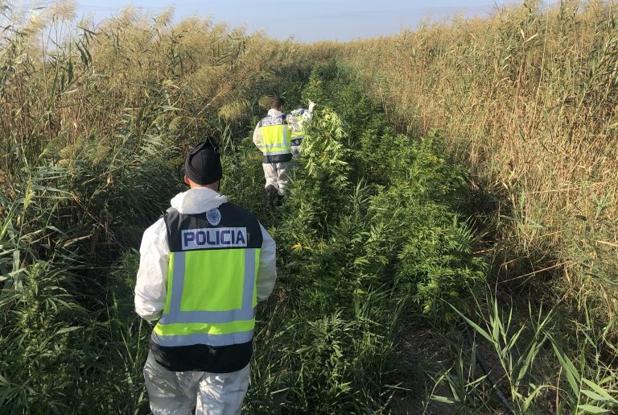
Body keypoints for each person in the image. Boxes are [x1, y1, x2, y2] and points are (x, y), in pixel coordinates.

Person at [134, 142, 277, 415]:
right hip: (230, 353)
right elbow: (263, 288)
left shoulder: (163, 230)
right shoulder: (251, 227)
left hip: (173, 354)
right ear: (219, 180)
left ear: (186, 179)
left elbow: (147, 306)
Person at [252, 96, 292, 206]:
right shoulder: (287, 119)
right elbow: (298, 131)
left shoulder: (261, 122)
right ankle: (280, 204)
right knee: (283, 182)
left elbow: (255, 139)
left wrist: (265, 149)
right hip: (284, 157)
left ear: (271, 106)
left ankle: (269, 201)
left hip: (268, 157)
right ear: (282, 106)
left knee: (270, 180)